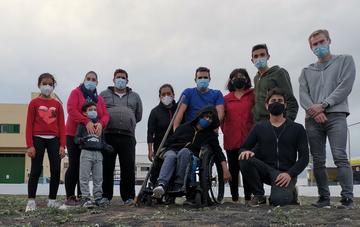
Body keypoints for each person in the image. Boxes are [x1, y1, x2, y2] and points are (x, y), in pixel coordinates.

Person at [299, 29, 356, 209]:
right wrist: (315, 111)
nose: (319, 46)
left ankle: (347, 198)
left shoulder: (345, 60)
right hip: (312, 119)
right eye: (315, 44)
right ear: (311, 48)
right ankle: (323, 198)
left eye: (321, 42)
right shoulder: (306, 71)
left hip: (337, 115)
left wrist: (324, 105)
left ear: (329, 41)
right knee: (318, 160)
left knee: (340, 156)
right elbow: (303, 95)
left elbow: (345, 86)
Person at [238, 88, 309, 207]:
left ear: (285, 105)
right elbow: (243, 147)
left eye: (280, 101)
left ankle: (291, 192)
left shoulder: (297, 128)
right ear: (267, 105)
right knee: (244, 158)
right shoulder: (259, 127)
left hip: (285, 174)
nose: (276, 103)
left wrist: (290, 174)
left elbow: (304, 158)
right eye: (273, 100)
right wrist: (245, 151)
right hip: (266, 170)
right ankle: (259, 195)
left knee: (278, 202)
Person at [152, 106, 231, 199]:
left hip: (191, 155)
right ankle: (162, 184)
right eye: (206, 117)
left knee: (184, 152)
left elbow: (218, 152)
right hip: (173, 150)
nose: (208, 120)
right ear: (200, 116)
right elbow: (170, 141)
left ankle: (179, 183)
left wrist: (225, 170)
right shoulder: (184, 127)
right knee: (170, 156)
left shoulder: (210, 135)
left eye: (210, 118)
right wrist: (160, 151)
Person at [65, 71, 109, 206]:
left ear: (97, 82)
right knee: (74, 165)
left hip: (92, 139)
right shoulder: (76, 93)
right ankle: (71, 196)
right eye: (88, 78)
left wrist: (101, 123)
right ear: (84, 79)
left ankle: (83, 197)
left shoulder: (99, 99)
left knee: (85, 168)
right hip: (74, 134)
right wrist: (86, 121)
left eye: (93, 79)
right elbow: (71, 110)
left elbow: (105, 115)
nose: (91, 81)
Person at [100, 68, 143, 205]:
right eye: (118, 77)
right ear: (113, 80)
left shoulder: (135, 96)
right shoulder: (103, 94)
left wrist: (127, 119)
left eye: (123, 77)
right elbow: (99, 112)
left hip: (127, 136)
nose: (120, 79)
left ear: (127, 80)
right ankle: (105, 196)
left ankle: (128, 197)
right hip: (108, 135)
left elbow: (138, 115)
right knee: (106, 166)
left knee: (128, 167)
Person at [25, 73, 66, 212]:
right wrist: (30, 145)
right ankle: (31, 201)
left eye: (50, 84)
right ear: (39, 85)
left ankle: (52, 200)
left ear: (53, 86)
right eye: (44, 83)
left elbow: (62, 125)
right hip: (37, 139)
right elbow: (29, 125)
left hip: (54, 139)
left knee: (55, 170)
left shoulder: (57, 105)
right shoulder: (34, 103)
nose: (47, 86)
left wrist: (62, 145)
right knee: (36, 170)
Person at [221, 68, 255, 203]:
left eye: (241, 76)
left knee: (247, 169)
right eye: (235, 77)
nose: (238, 78)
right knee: (233, 170)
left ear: (247, 79)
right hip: (231, 139)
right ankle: (235, 198)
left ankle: (248, 198)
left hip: (249, 139)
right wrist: (227, 131)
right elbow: (222, 119)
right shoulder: (226, 99)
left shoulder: (253, 95)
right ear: (231, 81)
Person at [75, 102, 113, 207]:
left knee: (98, 178)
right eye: (90, 110)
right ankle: (85, 197)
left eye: (95, 110)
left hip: (98, 154)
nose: (93, 112)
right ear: (84, 113)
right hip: (86, 153)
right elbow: (76, 139)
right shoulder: (82, 125)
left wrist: (107, 147)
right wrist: (82, 140)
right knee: (84, 177)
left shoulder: (100, 126)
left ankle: (98, 197)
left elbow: (102, 141)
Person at [251, 43, 298, 122]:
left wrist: (287, 122)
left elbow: (290, 100)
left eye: (262, 55)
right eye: (256, 56)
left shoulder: (279, 73)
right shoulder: (256, 78)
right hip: (259, 123)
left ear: (268, 56)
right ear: (252, 60)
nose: (259, 58)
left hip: (276, 121)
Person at [147, 84, 177, 161]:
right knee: (171, 157)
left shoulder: (179, 109)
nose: (166, 96)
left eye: (168, 93)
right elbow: (150, 133)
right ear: (160, 96)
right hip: (161, 148)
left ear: (173, 95)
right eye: (163, 94)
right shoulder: (155, 112)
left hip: (178, 146)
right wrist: (150, 150)